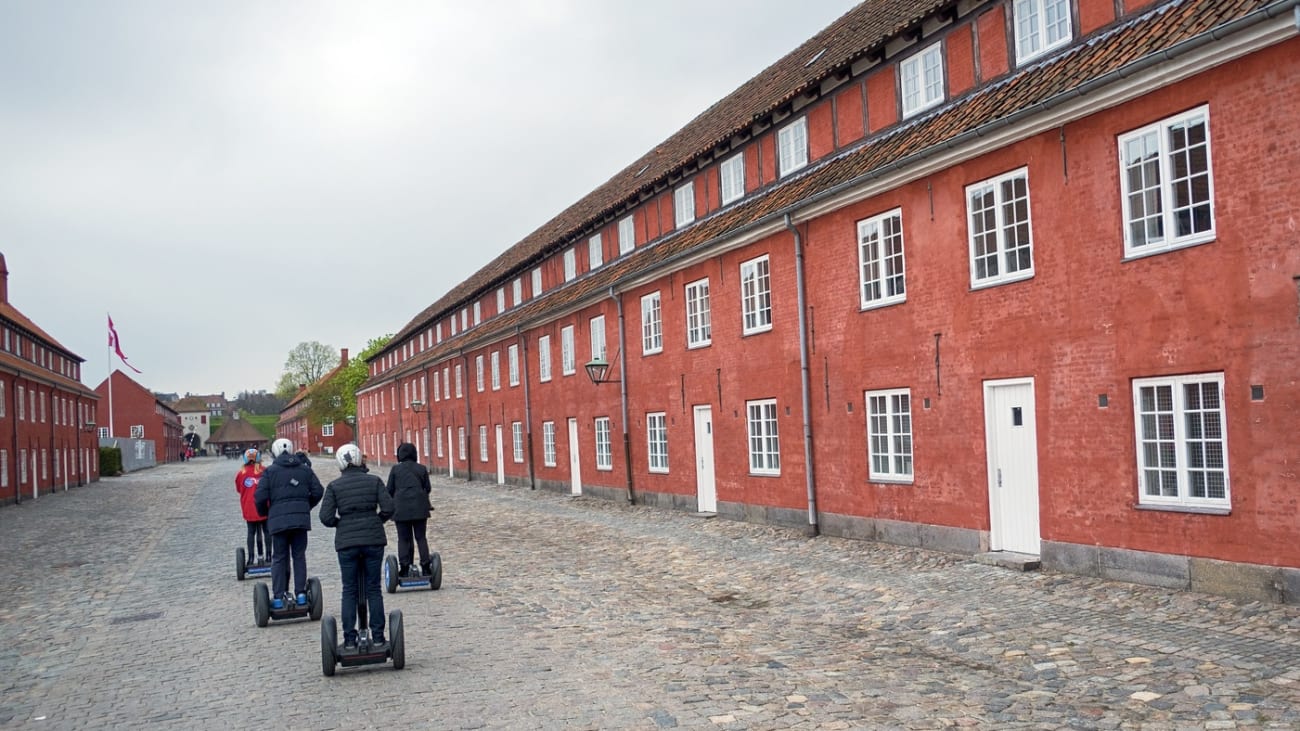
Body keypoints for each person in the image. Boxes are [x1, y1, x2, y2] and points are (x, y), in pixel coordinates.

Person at [319, 443, 393, 649]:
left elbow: (325, 517)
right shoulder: (374, 481)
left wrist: (340, 524)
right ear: (360, 459)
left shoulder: (334, 486)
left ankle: (350, 640)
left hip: (347, 543)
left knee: (349, 590)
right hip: (373, 539)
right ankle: (378, 637)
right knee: (374, 589)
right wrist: (376, 520)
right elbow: (389, 508)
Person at [254, 438, 324, 610]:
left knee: (279, 558)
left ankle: (278, 596)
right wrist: (306, 506)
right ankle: (300, 595)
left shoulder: (270, 472)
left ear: (274, 452)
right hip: (300, 521)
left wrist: (266, 513)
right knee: (299, 556)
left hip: (278, 521)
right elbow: (318, 491)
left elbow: (260, 497)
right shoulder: (305, 470)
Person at [386, 442, 433, 578]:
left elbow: (389, 489)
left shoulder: (395, 470)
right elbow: (428, 488)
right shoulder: (422, 469)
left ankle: (405, 568)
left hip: (401, 508)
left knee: (403, 539)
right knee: (421, 537)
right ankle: (425, 567)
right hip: (419, 507)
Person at [235, 448, 270, 565]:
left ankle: (251, 558)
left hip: (249, 507)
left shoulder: (241, 473)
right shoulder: (264, 471)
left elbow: (239, 490)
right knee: (267, 531)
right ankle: (269, 555)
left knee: (251, 532)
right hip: (264, 506)